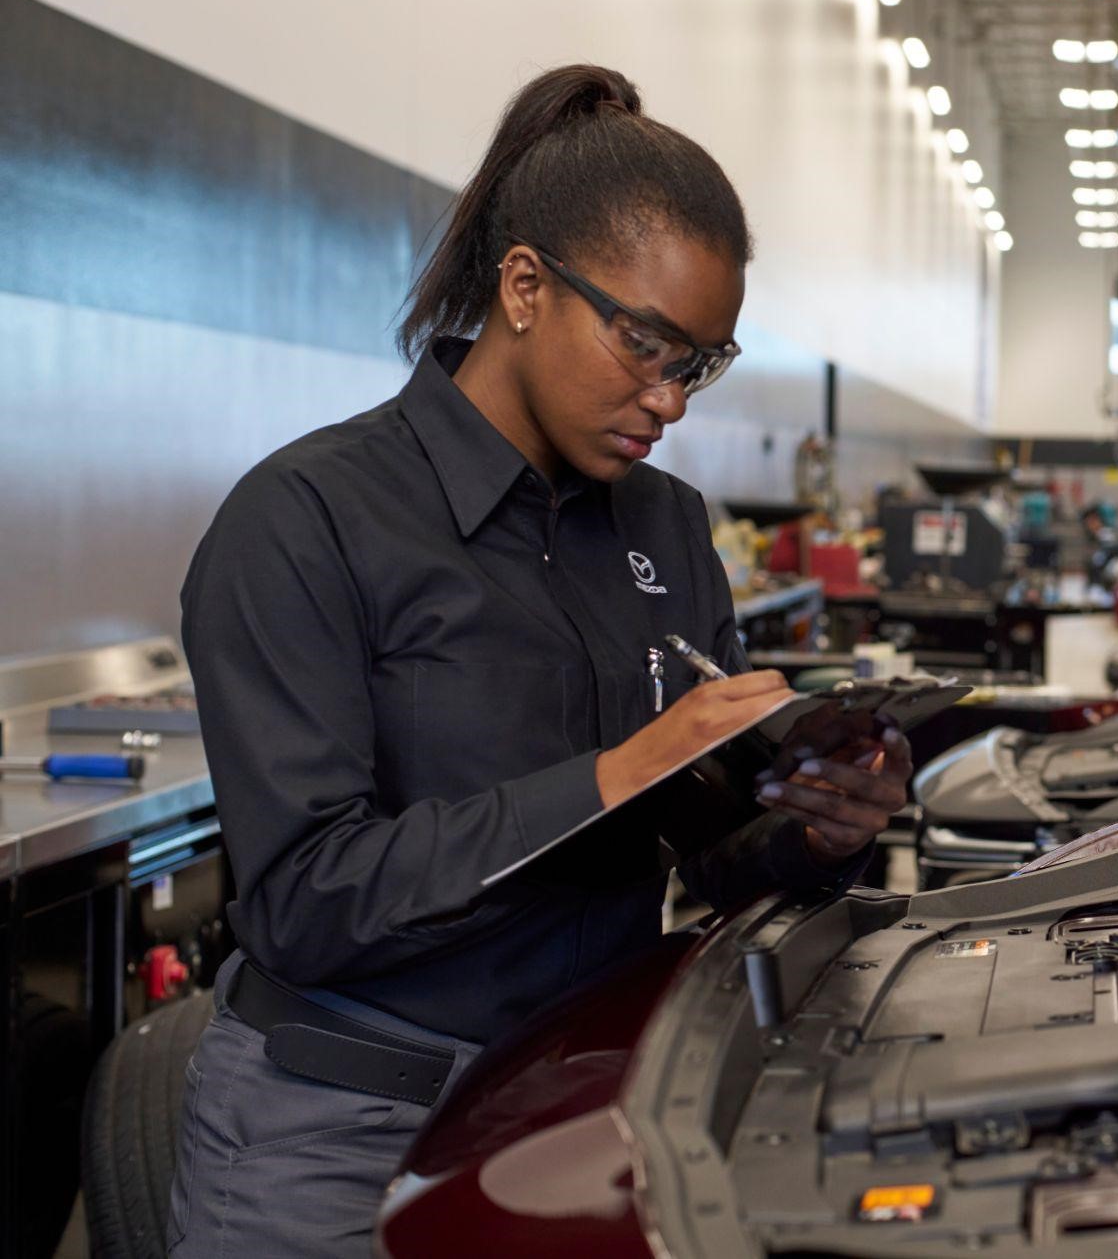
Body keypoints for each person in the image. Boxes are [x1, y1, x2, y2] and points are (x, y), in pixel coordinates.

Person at [164, 64, 910, 1257]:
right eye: (644, 345)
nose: (667, 398)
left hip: (584, 1096)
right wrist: (614, 772)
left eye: (698, 365)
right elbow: (306, 902)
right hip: (338, 1135)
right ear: (525, 287)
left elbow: (697, 851)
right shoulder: (307, 518)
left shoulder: (666, 527)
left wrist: (814, 824)